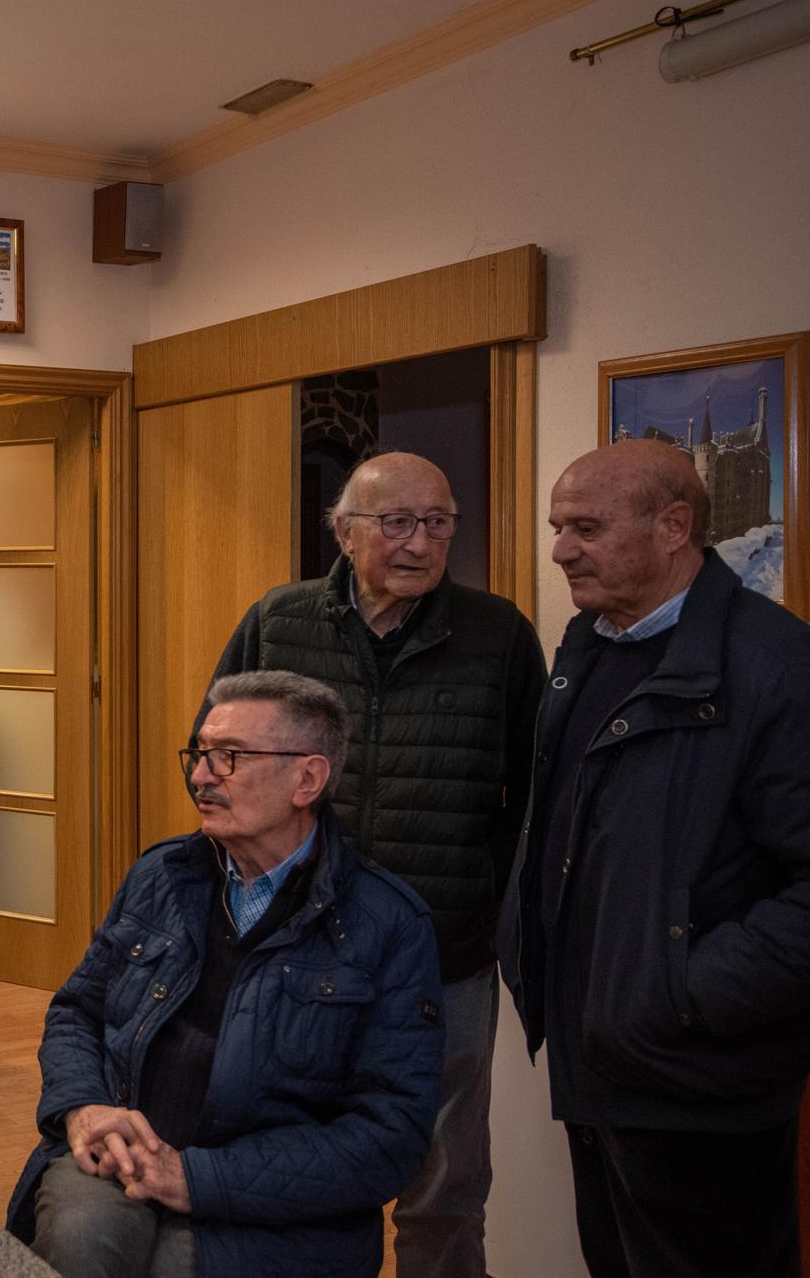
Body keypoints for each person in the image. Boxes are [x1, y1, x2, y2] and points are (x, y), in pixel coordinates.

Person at [203, 450, 542, 1278]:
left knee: (446, 1178)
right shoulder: (279, 622)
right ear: (346, 533)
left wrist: (488, 898)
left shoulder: (498, 635)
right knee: (295, 1156)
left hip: (446, 952)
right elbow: (220, 758)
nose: (422, 542)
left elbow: (534, 795)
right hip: (297, 945)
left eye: (440, 522)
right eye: (397, 523)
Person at [10, 670, 443, 1278]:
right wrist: (83, 1106)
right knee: (84, 1243)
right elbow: (78, 1010)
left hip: (275, 1206)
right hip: (123, 1155)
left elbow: (389, 1136)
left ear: (308, 779)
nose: (200, 776)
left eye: (229, 757)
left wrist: (199, 1178)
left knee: (172, 1267)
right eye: (200, 754)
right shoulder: (163, 875)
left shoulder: (388, 924)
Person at [499, 439, 810, 1278]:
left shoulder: (774, 665)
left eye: (587, 528)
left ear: (675, 526)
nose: (561, 548)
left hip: (698, 1083)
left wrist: (680, 989)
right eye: (560, 527)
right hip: (601, 1064)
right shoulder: (590, 647)